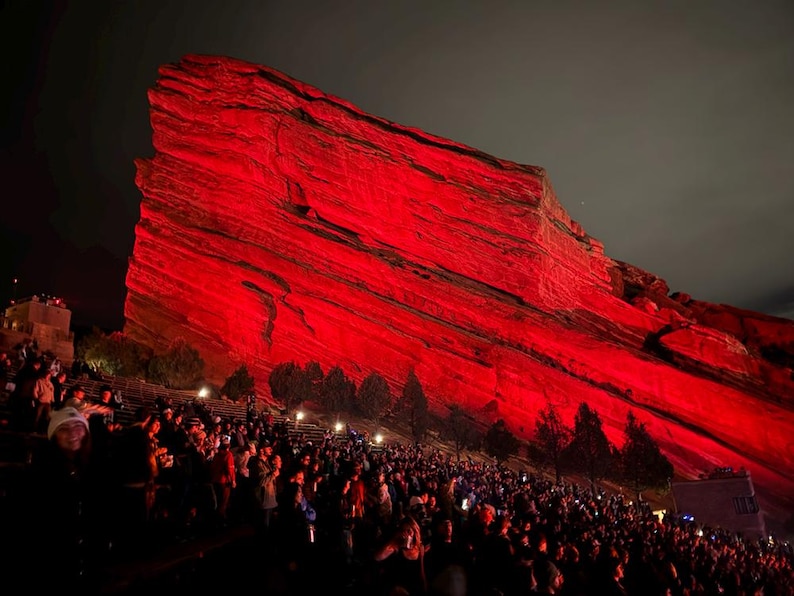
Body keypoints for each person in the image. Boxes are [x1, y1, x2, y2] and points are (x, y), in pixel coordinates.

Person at [10, 407, 110, 590]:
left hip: (87, 568)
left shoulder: (90, 470)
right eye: (64, 428)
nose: (72, 433)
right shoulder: (38, 474)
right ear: (53, 435)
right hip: (52, 571)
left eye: (78, 426)